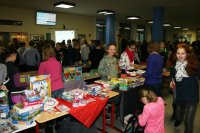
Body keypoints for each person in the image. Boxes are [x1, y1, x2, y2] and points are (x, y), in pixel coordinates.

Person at [168, 43, 199, 133]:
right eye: (178, 53)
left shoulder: (193, 65)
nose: (180, 56)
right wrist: (171, 81)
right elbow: (172, 76)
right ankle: (178, 120)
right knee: (179, 116)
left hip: (192, 96)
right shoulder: (174, 66)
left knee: (188, 122)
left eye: (183, 53)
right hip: (180, 95)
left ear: (188, 54)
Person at [38, 44, 64, 133]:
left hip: (50, 89)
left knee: (49, 110)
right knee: (59, 108)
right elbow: (60, 74)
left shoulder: (43, 64)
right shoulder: (58, 62)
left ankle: (49, 129)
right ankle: (59, 126)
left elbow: (40, 78)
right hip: (60, 87)